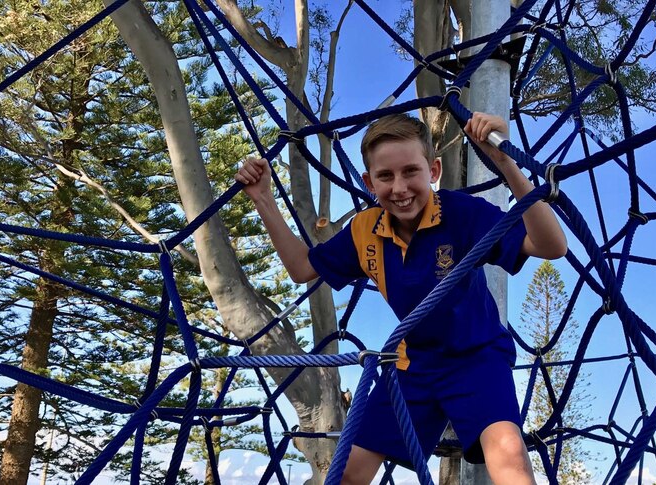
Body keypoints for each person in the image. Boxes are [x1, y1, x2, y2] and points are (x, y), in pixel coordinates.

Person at [235, 112, 567, 485]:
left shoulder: (460, 213)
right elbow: (301, 268)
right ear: (369, 182)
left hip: (477, 357)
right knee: (347, 474)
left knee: (509, 456)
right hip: (414, 365)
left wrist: (505, 163)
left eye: (411, 171)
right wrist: (263, 198)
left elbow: (551, 246)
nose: (400, 187)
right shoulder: (365, 230)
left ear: (434, 170)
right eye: (385, 176)